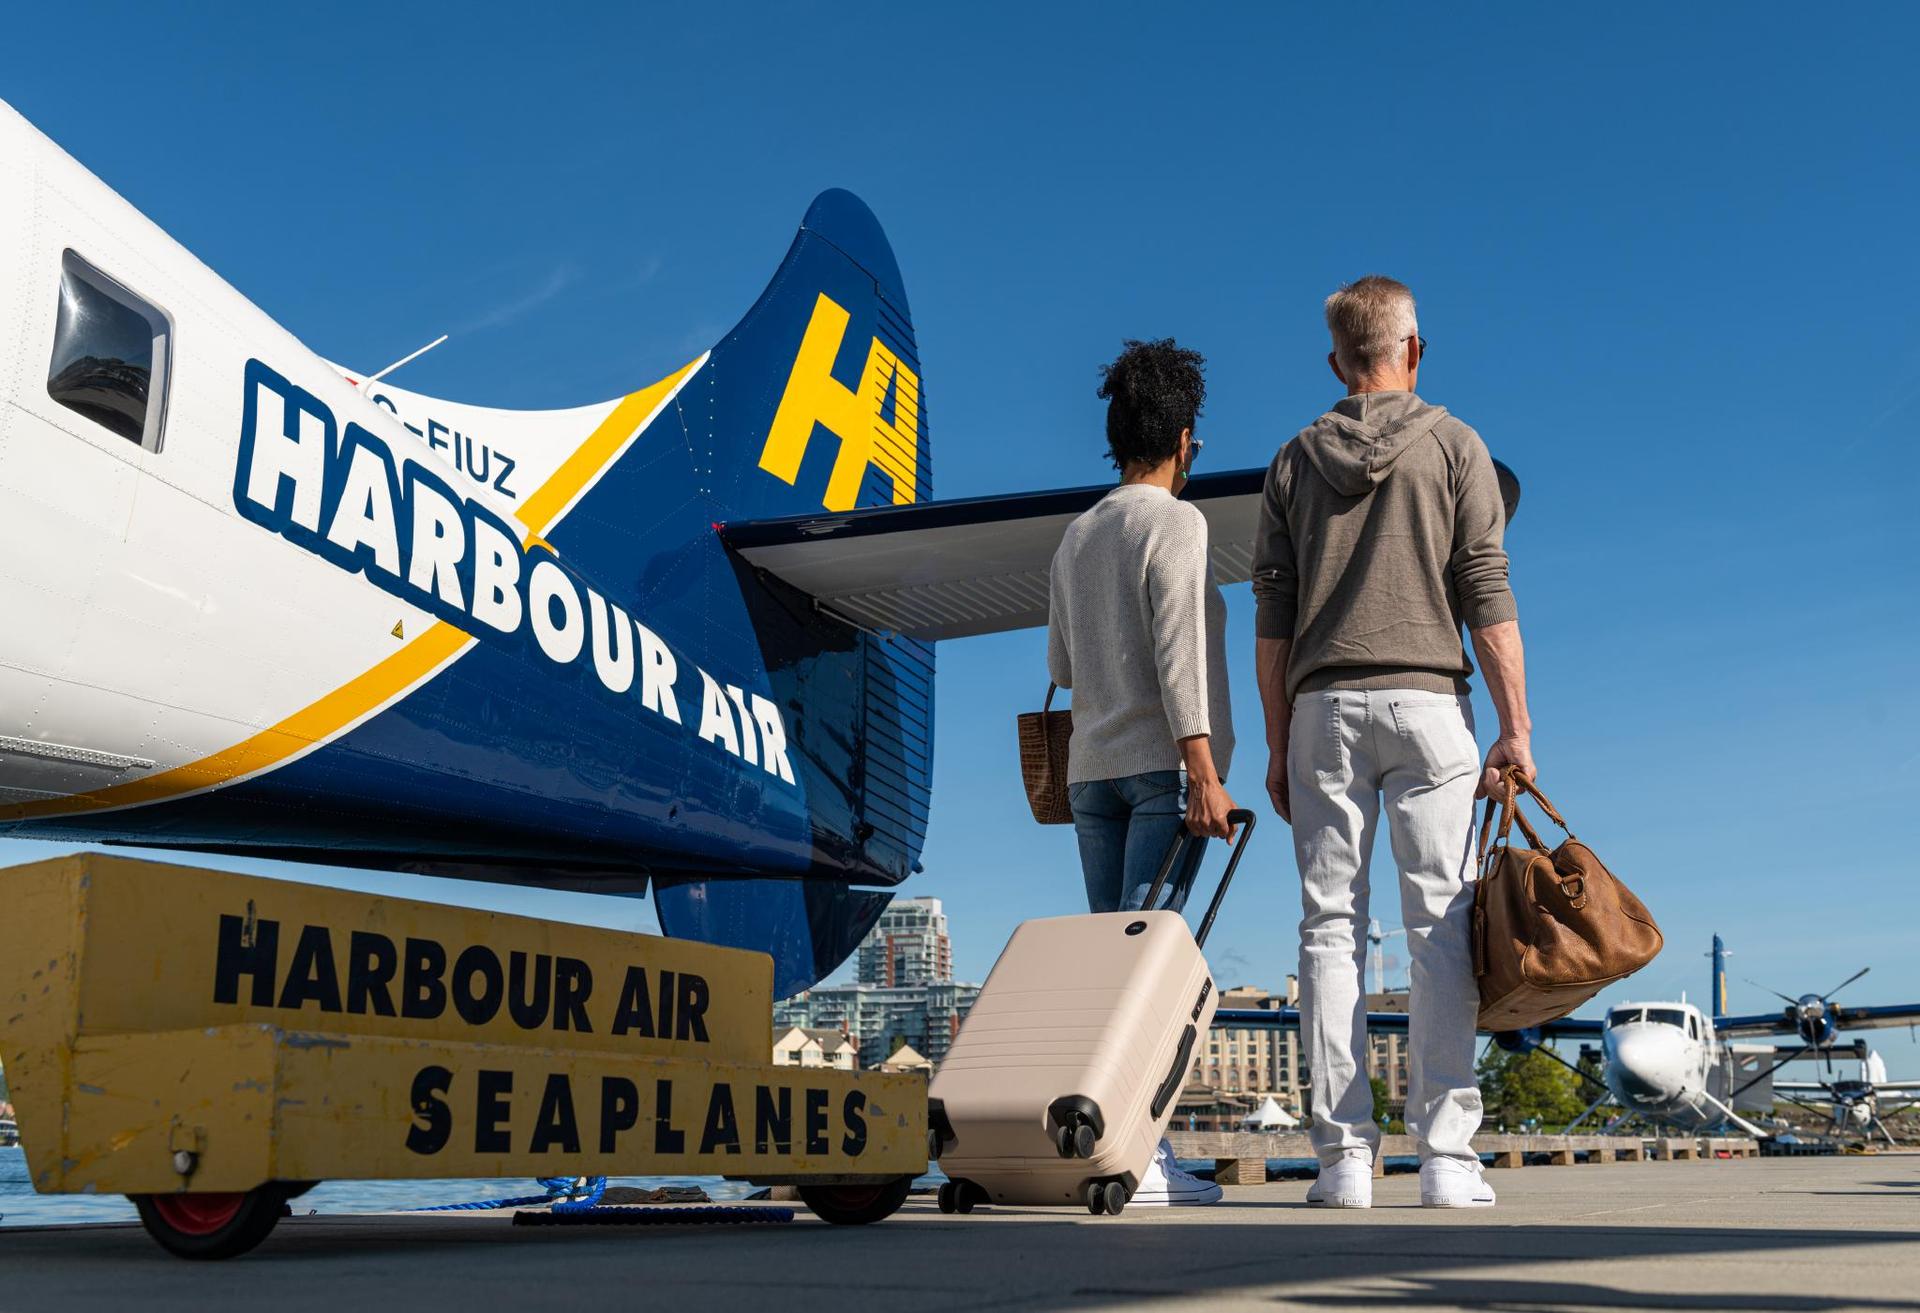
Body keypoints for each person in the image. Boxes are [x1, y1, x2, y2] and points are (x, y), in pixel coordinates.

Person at [1253, 277, 1534, 1210]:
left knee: (1327, 929)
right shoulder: (1457, 445)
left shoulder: (1292, 460)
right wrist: (1516, 728)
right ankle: (1448, 1159)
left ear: (1337, 361)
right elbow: (1485, 594)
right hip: (1428, 704)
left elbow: (1272, 619)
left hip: (1323, 708)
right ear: (1415, 348)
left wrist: (1276, 739)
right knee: (1440, 923)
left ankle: (1342, 1161)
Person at [1046, 337, 1236, 1206]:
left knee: (1107, 975)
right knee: (1149, 980)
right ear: (1186, 439)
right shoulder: (1179, 524)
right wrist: (1202, 768)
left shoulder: (1076, 537)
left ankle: (1107, 1145)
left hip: (1091, 772)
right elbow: (1180, 653)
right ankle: (1139, 1157)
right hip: (1166, 768)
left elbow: (1063, 660)